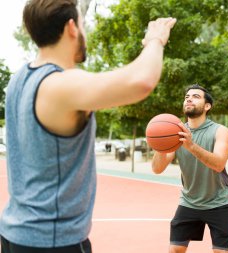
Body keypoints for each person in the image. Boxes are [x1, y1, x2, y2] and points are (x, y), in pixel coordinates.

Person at [0, 0, 176, 252]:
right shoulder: (59, 84)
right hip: (51, 239)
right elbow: (141, 81)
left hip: (15, 234)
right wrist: (155, 40)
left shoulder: (19, 79)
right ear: (72, 27)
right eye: (83, 24)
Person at [152, 84, 228, 253]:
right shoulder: (175, 133)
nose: (189, 98)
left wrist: (191, 146)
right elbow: (157, 169)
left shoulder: (220, 131)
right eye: (186, 96)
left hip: (218, 201)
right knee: (175, 249)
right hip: (189, 201)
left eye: (196, 96)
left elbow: (219, 164)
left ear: (207, 106)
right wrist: (159, 145)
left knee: (221, 251)